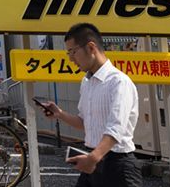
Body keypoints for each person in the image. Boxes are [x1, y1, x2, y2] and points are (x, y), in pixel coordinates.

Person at [37, 23, 140, 187]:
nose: (71, 59)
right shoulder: (87, 82)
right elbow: (85, 123)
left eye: (73, 52)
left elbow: (116, 129)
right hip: (93, 160)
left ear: (91, 47)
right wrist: (60, 114)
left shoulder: (119, 82)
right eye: (68, 53)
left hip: (117, 165)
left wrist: (93, 158)